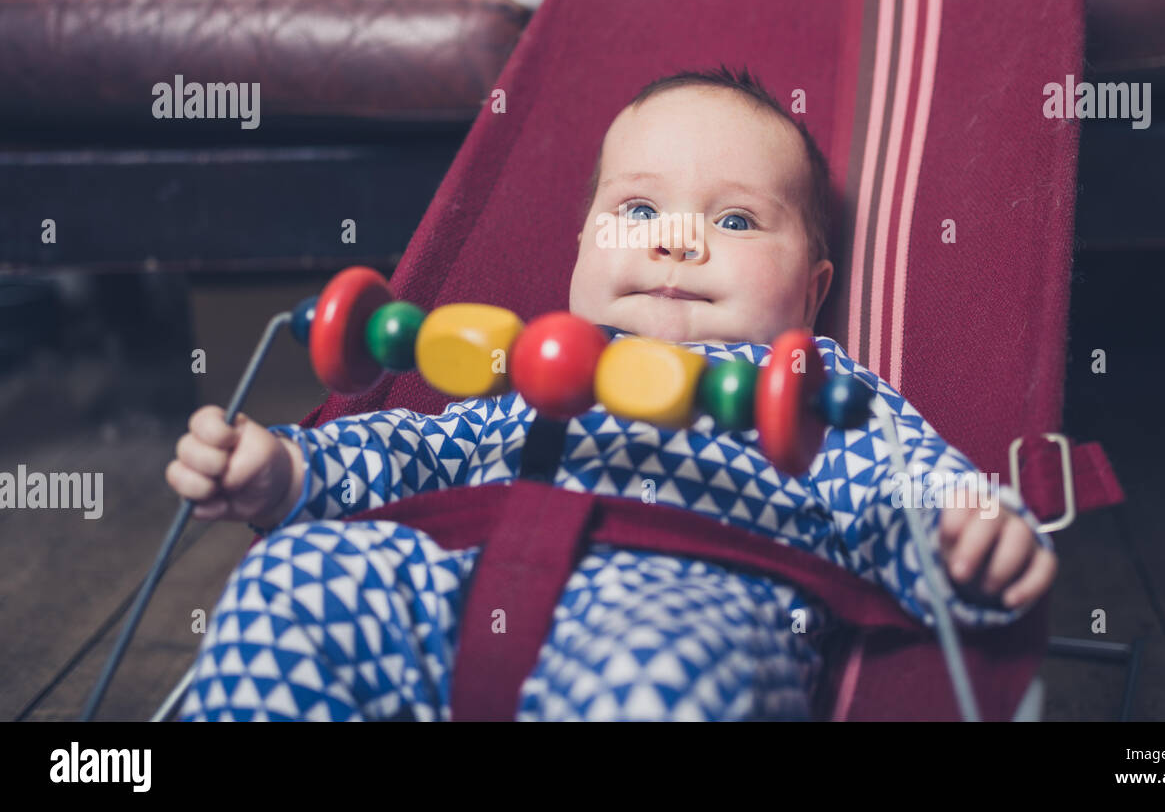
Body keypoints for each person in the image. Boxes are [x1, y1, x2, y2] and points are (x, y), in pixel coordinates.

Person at [166, 65, 1057, 721]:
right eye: (638, 211)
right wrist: (285, 468)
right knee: (296, 576)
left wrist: (962, 538)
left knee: (662, 673)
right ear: (580, 254)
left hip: (686, 604)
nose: (676, 241)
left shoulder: (810, 388)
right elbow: (415, 450)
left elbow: (893, 485)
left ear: (815, 288)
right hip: (460, 591)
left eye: (735, 219)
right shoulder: (533, 363)